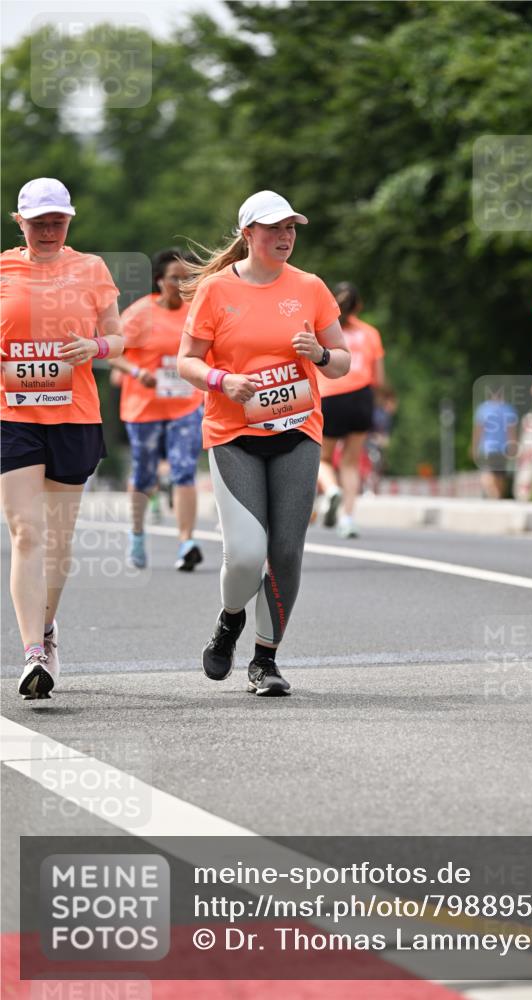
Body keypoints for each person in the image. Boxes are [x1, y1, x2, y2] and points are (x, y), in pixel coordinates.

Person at [177, 190, 350, 696]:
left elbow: (342, 362)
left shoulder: (311, 288)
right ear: (248, 234)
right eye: (274, 229)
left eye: (291, 228)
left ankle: (265, 661)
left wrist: (319, 353)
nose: (286, 237)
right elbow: (185, 361)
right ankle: (230, 620)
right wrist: (220, 381)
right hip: (235, 435)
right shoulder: (215, 292)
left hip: (298, 432)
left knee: (287, 553)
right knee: (247, 556)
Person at [0, 178, 123, 700]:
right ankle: (32, 652)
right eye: (39, 222)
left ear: (69, 222)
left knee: (57, 541)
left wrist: (93, 346)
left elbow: (118, 338)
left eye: (58, 221)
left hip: (74, 415)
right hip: (13, 415)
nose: (49, 230)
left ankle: (48, 629)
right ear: (20, 223)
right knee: (26, 533)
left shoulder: (91, 269)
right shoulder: (3, 269)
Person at [109, 248, 204, 571]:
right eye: (175, 278)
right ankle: (136, 534)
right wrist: (137, 373)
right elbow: (112, 352)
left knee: (184, 469)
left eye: (187, 278)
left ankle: (186, 541)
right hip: (143, 407)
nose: (181, 284)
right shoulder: (140, 313)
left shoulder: (196, 313)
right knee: (145, 474)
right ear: (160, 281)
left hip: (185, 405)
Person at [316, 282, 385, 537]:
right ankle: (348, 518)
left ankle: (331, 490)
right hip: (361, 398)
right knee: (351, 463)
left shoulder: (323, 331)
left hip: (331, 396)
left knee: (323, 459)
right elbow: (378, 378)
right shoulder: (370, 333)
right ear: (359, 306)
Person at [471, 388, 518, 499]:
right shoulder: (508, 409)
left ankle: (494, 495)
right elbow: (511, 431)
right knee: (500, 474)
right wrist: (513, 446)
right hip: (503, 448)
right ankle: (498, 496)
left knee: (488, 472)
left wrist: (474, 447)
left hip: (487, 447)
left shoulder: (483, 409)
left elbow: (478, 431)